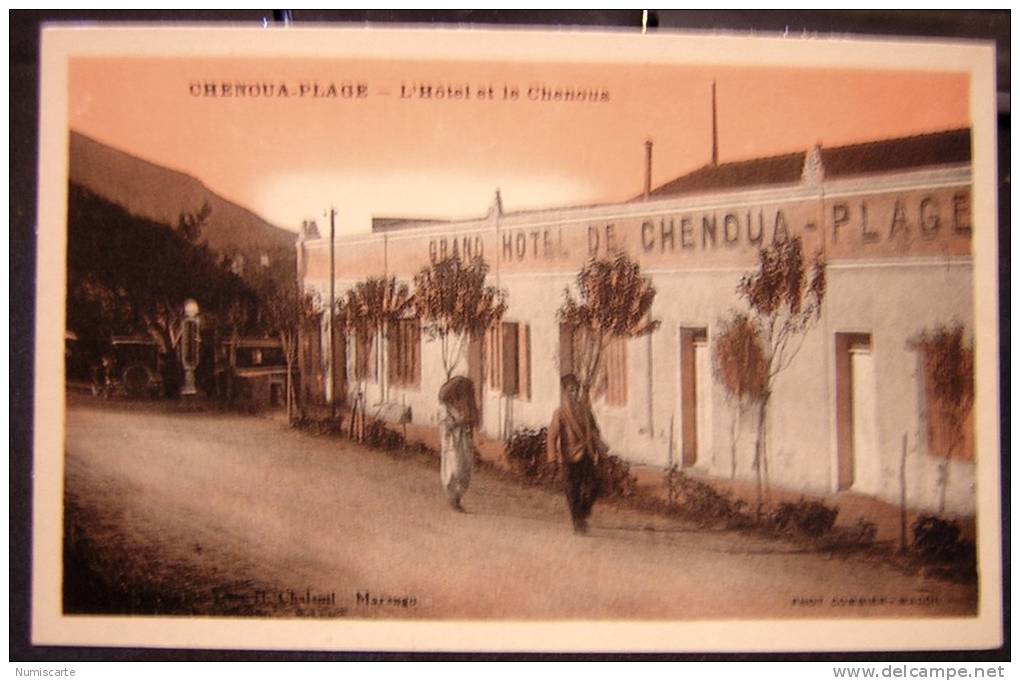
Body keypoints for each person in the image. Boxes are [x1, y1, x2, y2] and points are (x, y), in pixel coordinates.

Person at [547, 373, 608, 534]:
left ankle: (584, 510)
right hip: (569, 457)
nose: (574, 393)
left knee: (594, 485)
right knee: (572, 491)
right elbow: (552, 437)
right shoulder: (560, 413)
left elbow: (594, 430)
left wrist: (600, 450)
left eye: (576, 389)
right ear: (565, 392)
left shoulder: (585, 410)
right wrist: (552, 459)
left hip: (586, 454)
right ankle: (577, 522)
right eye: (571, 390)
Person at [438, 375, 479, 512]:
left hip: (463, 442)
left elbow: (471, 422)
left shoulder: (464, 407)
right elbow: (446, 426)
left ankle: (457, 496)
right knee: (454, 467)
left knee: (464, 468)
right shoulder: (447, 410)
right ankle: (452, 496)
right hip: (452, 442)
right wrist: (459, 421)